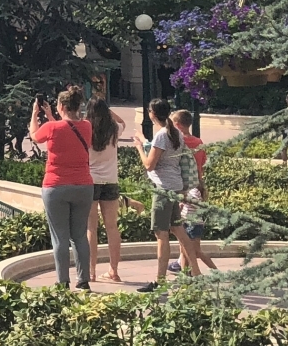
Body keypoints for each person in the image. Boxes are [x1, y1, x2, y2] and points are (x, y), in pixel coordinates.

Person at [29, 86, 95, 291]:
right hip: (83, 186)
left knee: (60, 238)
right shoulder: (87, 126)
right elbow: (66, 130)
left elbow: (35, 135)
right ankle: (83, 280)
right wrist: (51, 116)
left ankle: (63, 282)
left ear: (62, 106)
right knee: (80, 236)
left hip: (56, 186)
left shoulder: (52, 128)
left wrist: (35, 114)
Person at [137, 98, 202, 291]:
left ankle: (160, 280)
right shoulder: (176, 133)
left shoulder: (161, 135)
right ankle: (196, 273)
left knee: (161, 234)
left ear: (152, 114)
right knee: (178, 229)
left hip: (163, 189)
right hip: (175, 186)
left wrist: (139, 148)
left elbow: (150, 164)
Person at [86, 97, 125, 284]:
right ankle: (114, 270)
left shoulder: (86, 129)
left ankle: (91, 271)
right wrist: (108, 111)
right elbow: (122, 121)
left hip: (90, 181)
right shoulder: (114, 129)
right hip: (111, 181)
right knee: (112, 227)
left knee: (90, 228)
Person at [171, 109, 211, 274]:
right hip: (198, 185)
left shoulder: (179, 142)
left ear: (177, 125)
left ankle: (186, 267)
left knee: (182, 230)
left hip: (182, 186)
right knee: (186, 232)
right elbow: (202, 164)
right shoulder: (199, 142)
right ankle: (182, 264)